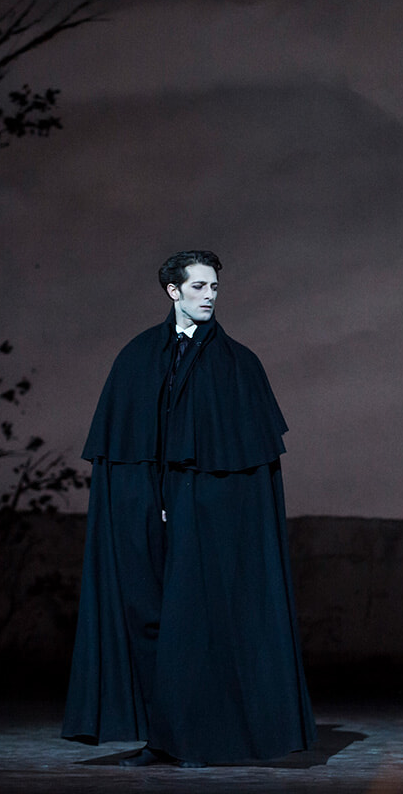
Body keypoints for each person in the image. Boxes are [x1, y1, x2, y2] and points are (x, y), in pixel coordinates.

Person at [61, 250, 317, 767]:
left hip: (210, 522)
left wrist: (204, 509)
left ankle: (201, 739)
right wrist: (145, 506)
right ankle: (162, 739)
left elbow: (253, 472)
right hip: (146, 518)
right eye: (199, 286)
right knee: (149, 620)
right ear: (173, 291)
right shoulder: (137, 357)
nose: (209, 296)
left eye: (214, 287)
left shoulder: (239, 364)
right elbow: (123, 447)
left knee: (202, 623)